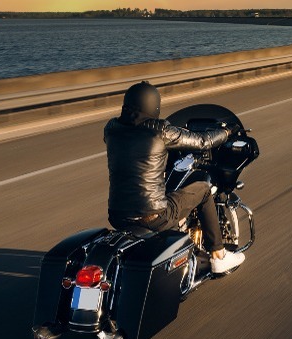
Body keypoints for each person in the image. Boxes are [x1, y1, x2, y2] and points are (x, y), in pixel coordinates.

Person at [104, 81, 245, 274]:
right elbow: (203, 142)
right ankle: (219, 256)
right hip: (153, 217)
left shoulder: (111, 129)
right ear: (153, 105)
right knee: (203, 189)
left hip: (118, 216)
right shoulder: (161, 131)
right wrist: (227, 132)